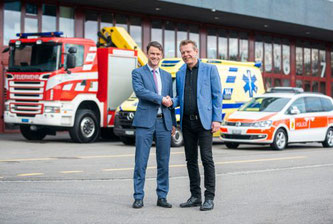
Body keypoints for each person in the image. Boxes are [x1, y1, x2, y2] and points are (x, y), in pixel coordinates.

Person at [172, 40, 222, 211]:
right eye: (182, 52)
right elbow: (179, 98)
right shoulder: (180, 73)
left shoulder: (210, 69)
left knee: (206, 159)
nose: (185, 55)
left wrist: (216, 119)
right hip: (186, 122)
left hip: (205, 122)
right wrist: (169, 101)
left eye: (188, 51)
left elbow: (217, 96)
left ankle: (209, 197)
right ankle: (195, 196)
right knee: (190, 160)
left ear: (196, 51)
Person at [131, 41, 176, 209]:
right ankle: (138, 196)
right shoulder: (137, 73)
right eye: (152, 53)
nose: (155, 56)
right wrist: (160, 99)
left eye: (158, 54)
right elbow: (140, 92)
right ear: (147, 54)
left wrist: (172, 122)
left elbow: (170, 100)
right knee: (141, 161)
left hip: (163, 123)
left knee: (164, 162)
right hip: (144, 123)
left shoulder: (166, 75)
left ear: (161, 55)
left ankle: (162, 196)